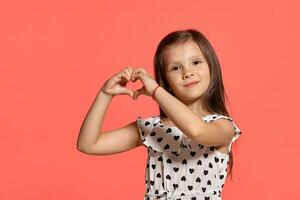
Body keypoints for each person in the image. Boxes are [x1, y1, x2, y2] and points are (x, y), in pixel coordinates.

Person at [76, 29, 242, 200]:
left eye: (196, 62)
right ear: (166, 80)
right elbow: (88, 144)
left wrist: (156, 91)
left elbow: (196, 131)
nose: (188, 72)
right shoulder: (154, 129)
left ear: (212, 67)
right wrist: (105, 94)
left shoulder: (223, 126)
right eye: (176, 68)